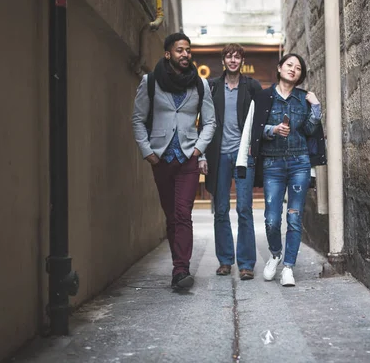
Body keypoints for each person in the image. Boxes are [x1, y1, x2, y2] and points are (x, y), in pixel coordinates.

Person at [132, 33, 216, 290]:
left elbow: (210, 122)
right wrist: (147, 150)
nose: (185, 54)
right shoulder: (150, 82)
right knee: (171, 216)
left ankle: (181, 270)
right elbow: (137, 119)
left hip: (188, 158)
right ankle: (179, 264)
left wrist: (198, 149)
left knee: (183, 214)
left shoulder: (200, 85)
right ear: (168, 54)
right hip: (162, 159)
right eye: (180, 50)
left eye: (188, 50)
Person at [235, 53, 324, 287]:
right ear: (279, 68)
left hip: (299, 163)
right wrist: (272, 130)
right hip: (272, 165)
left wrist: (315, 109)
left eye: (297, 67)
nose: (293, 69)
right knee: (272, 220)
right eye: (289, 65)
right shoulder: (264, 97)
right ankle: (275, 254)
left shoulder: (304, 99)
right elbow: (255, 130)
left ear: (300, 75)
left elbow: (308, 131)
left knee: (294, 218)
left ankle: (288, 268)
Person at [204, 44, 263, 280]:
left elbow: (261, 118)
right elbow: (205, 120)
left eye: (237, 56)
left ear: (242, 60)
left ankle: (247, 263)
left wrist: (255, 145)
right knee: (220, 209)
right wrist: (201, 154)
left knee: (244, 209)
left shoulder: (252, 86)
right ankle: (225, 261)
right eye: (229, 56)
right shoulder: (213, 87)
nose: (233, 60)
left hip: (243, 157)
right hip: (219, 156)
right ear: (223, 60)